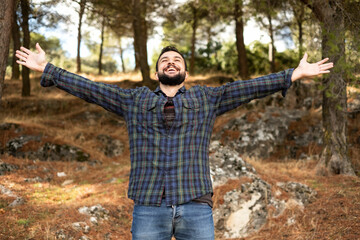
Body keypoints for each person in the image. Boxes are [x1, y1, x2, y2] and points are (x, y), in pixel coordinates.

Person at [16, 43, 333, 240]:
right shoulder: (134, 100)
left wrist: (293, 74)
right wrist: (48, 69)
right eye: (164, 60)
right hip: (148, 209)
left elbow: (249, 88)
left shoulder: (207, 99)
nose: (171, 62)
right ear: (156, 73)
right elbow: (90, 88)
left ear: (185, 71)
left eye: (176, 60)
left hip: (195, 207)